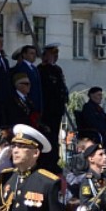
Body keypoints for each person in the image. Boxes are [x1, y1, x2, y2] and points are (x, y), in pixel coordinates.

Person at [38, 43, 69, 172]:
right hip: (47, 110)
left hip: (57, 109)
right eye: (53, 54)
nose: (55, 57)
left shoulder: (57, 69)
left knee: (55, 138)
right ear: (46, 55)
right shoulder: (41, 69)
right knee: (47, 136)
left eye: (56, 54)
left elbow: (61, 86)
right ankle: (46, 162)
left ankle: (54, 161)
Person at [13, 45, 44, 118]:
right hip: (27, 105)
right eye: (31, 53)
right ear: (24, 55)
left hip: (36, 106)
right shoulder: (21, 67)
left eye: (35, 54)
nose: (34, 56)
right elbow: (22, 87)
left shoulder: (34, 68)